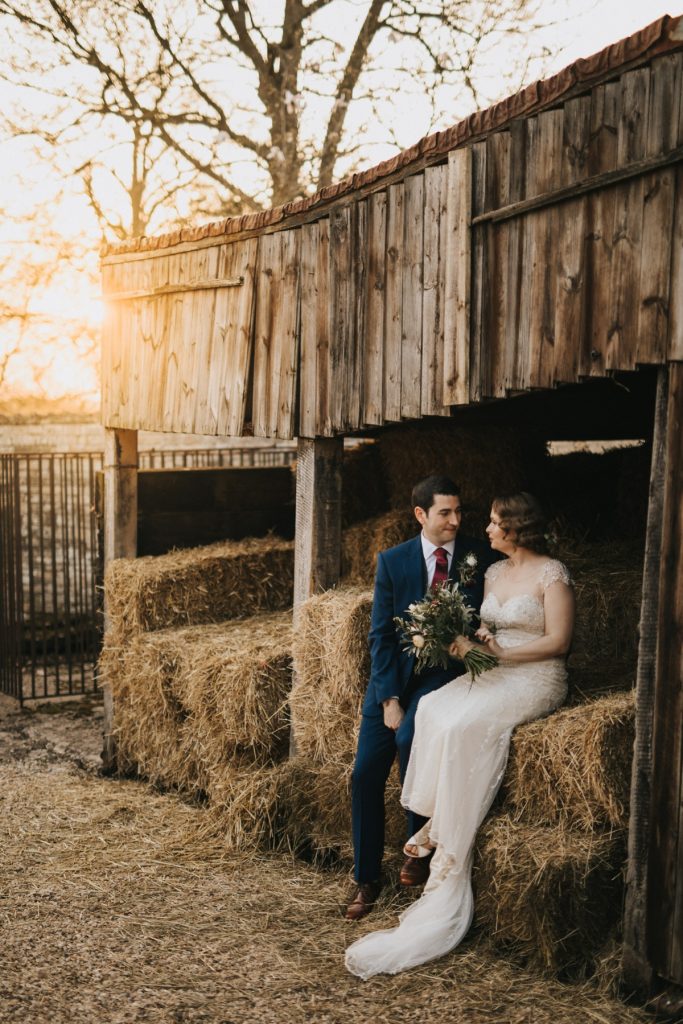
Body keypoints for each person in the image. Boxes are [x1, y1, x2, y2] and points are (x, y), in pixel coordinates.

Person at [345, 491, 574, 977]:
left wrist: (499, 653)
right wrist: (473, 643)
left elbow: (560, 641)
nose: (480, 527)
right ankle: (398, 847)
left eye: (491, 522)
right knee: (433, 712)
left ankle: (438, 831)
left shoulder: (548, 573)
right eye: (454, 514)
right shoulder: (486, 570)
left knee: (464, 723)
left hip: (531, 673)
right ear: (421, 515)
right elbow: (391, 633)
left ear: (513, 527)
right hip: (463, 672)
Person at [345, 474, 498, 922]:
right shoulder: (392, 562)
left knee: (412, 741)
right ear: (421, 515)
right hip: (392, 684)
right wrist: (389, 699)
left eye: (458, 511)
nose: (455, 520)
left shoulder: (479, 555)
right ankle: (365, 877)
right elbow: (381, 636)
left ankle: (418, 856)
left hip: (444, 679)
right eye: (444, 512)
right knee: (365, 775)